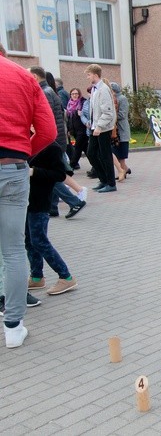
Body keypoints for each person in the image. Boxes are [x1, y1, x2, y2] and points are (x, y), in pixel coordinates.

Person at [0, 48, 57, 348]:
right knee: (12, 250)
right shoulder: (23, 77)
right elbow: (48, 131)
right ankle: (13, 327)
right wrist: (24, 153)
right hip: (13, 168)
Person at [29, 67, 87, 218]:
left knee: (50, 174)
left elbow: (43, 118)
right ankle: (53, 207)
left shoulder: (44, 92)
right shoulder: (49, 91)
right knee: (54, 173)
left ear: (34, 77)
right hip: (54, 138)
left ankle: (75, 200)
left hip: (49, 140)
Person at [26, 143, 78, 296]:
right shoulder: (26, 141)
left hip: (40, 201)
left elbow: (60, 175)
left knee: (39, 240)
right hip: (26, 200)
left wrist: (34, 171)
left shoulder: (51, 147)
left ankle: (66, 276)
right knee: (29, 240)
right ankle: (36, 277)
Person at [84, 64, 117, 193]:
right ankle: (103, 179)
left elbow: (108, 112)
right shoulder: (94, 89)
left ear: (95, 75)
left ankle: (111, 183)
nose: (88, 77)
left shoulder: (103, 89)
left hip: (102, 128)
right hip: (95, 127)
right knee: (91, 153)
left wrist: (99, 126)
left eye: (89, 74)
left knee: (105, 155)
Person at [110, 82, 131, 181]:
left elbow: (123, 114)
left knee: (121, 152)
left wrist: (111, 117)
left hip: (121, 130)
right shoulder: (111, 98)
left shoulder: (122, 99)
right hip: (114, 129)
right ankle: (125, 169)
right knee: (115, 152)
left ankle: (123, 171)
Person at [66, 88, 88, 171]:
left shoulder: (83, 103)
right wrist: (69, 130)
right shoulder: (69, 105)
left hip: (82, 130)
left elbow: (87, 114)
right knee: (86, 149)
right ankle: (96, 165)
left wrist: (81, 114)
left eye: (76, 94)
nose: (75, 95)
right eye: (73, 94)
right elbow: (69, 119)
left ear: (79, 94)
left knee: (78, 148)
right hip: (74, 131)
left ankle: (71, 166)